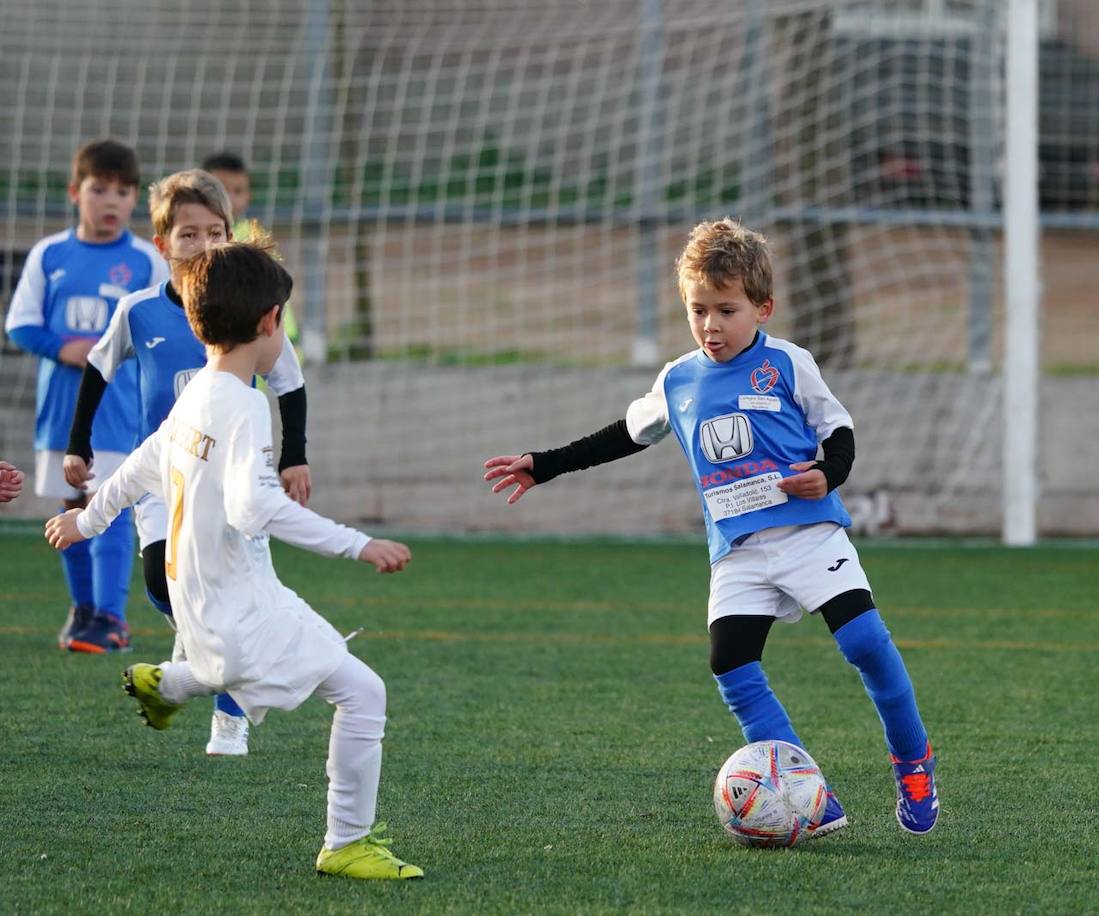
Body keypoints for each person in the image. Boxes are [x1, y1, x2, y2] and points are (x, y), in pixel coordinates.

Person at [484, 218, 939, 836]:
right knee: (730, 664)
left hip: (809, 535)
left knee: (863, 644)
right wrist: (546, 465)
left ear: (763, 308)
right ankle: (808, 793)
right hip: (738, 552)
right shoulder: (678, 379)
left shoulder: (787, 363)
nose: (711, 326)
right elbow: (627, 434)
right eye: (698, 310)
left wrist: (828, 476)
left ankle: (913, 765)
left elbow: (839, 429)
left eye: (726, 310)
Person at [44, 240, 423, 880]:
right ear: (271, 321)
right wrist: (358, 543)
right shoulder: (247, 406)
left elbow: (142, 461)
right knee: (364, 694)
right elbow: (255, 509)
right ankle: (346, 842)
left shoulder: (193, 393)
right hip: (243, 605)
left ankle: (164, 683)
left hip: (196, 599)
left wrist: (87, 519)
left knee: (226, 668)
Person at [65, 169, 313, 756]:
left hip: (236, 477)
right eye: (188, 234)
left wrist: (294, 458)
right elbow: (98, 370)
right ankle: (195, 654)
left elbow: (290, 382)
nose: (202, 245)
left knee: (235, 591)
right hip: (165, 477)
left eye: (215, 232)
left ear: (231, 235)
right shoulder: (139, 310)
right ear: (162, 244)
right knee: (161, 583)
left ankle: (229, 719)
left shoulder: (255, 310)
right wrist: (79, 444)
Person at [4, 139, 167, 653]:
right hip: (61, 412)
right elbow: (19, 325)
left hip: (120, 411)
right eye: (99, 190)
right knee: (71, 502)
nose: (111, 202)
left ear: (136, 198)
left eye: (123, 192)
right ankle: (84, 612)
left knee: (110, 504)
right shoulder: (49, 254)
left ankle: (113, 618)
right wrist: (65, 348)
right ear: (76, 192)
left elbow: (167, 321)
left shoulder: (146, 260)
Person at [202, 151, 299, 344]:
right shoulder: (192, 239)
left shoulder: (255, 239)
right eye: (221, 189)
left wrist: (288, 337)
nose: (229, 198)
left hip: (258, 342)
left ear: (248, 196)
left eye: (238, 191)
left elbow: (275, 291)